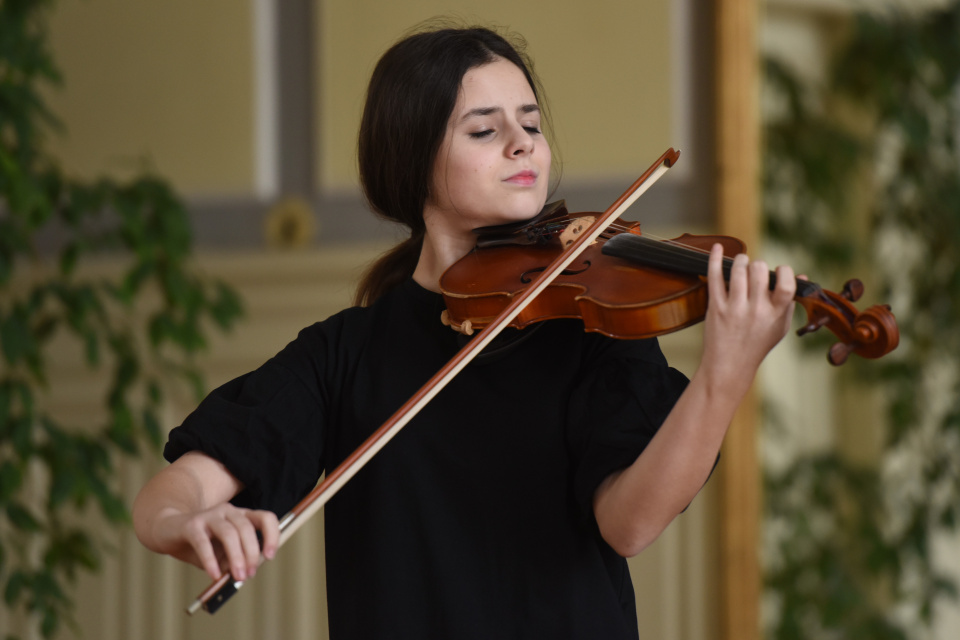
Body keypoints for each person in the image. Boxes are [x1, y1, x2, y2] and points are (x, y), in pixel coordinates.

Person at [133, 25, 797, 639]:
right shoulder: (345, 353)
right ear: (414, 158)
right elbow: (174, 493)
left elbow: (630, 524)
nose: (523, 144)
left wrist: (724, 374)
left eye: (530, 124)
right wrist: (184, 520)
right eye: (484, 130)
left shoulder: (592, 325)